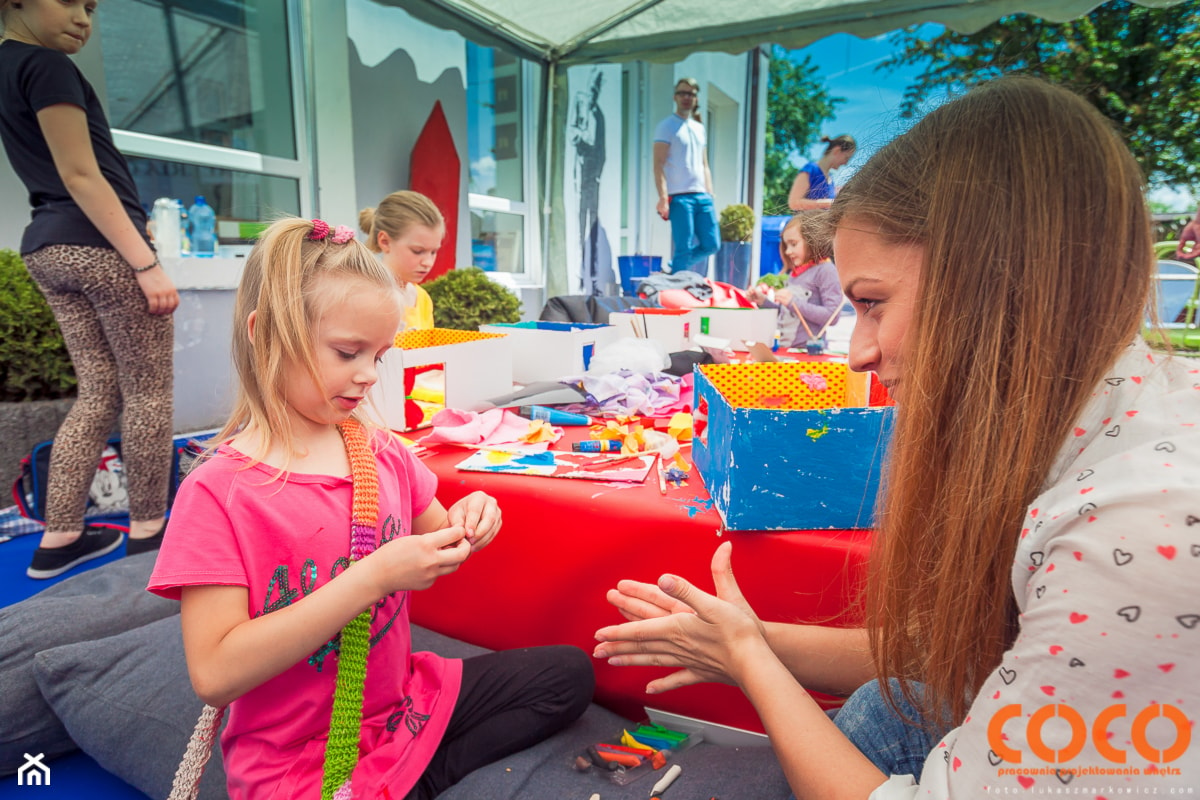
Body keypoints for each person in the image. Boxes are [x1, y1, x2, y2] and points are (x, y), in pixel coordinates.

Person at [593, 76, 1199, 798]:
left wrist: (752, 659)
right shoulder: (1119, 408)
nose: (857, 352)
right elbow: (958, 655)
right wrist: (743, 640)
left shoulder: (1132, 528)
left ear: (996, 281)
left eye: (872, 304)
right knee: (890, 702)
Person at [148, 218, 593, 800]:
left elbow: (439, 533)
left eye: (379, 355)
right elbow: (216, 673)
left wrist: (474, 517)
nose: (368, 376)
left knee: (567, 676)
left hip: (403, 705)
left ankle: (416, 775)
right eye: (347, 352)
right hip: (300, 758)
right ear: (265, 335)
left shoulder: (377, 449)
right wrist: (372, 578)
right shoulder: (220, 493)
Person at [0, 0, 180, 578]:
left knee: (99, 393)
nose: (84, 18)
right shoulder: (46, 65)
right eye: (70, 1)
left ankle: (59, 538)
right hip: (99, 251)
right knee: (148, 392)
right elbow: (81, 172)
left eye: (92, 7)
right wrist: (145, 261)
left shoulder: (7, 66)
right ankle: (150, 535)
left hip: (47, 247)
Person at [748, 213, 843, 349]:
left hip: (809, 354)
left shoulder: (826, 270)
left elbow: (832, 317)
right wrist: (764, 302)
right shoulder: (796, 272)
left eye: (793, 244)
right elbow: (789, 314)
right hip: (788, 350)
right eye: (786, 245)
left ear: (813, 240)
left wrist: (793, 302)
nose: (787, 251)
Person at [653, 78, 719, 274]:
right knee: (683, 247)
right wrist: (663, 198)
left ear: (696, 98)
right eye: (682, 93)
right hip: (680, 197)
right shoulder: (666, 126)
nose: (686, 97)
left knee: (712, 244)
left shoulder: (699, 128)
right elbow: (658, 164)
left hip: (702, 196)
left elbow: (704, 163)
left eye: (690, 94)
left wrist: (710, 192)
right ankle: (676, 285)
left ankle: (675, 268)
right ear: (675, 97)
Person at [359, 190, 443, 332]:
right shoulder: (363, 296)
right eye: (417, 251)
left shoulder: (422, 299)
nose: (428, 262)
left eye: (433, 252)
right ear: (385, 242)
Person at [572, 68, 608, 296]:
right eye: (593, 87)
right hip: (579, 176)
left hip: (592, 179)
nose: (595, 91)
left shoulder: (599, 115)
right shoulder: (580, 104)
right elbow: (574, 133)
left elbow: (600, 148)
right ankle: (580, 275)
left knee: (592, 231)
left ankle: (592, 279)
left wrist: (597, 174)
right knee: (580, 228)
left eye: (598, 88)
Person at [787, 134, 856, 211]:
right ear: (837, 150)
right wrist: (826, 204)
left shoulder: (831, 179)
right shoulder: (811, 169)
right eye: (846, 158)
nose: (846, 163)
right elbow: (793, 203)